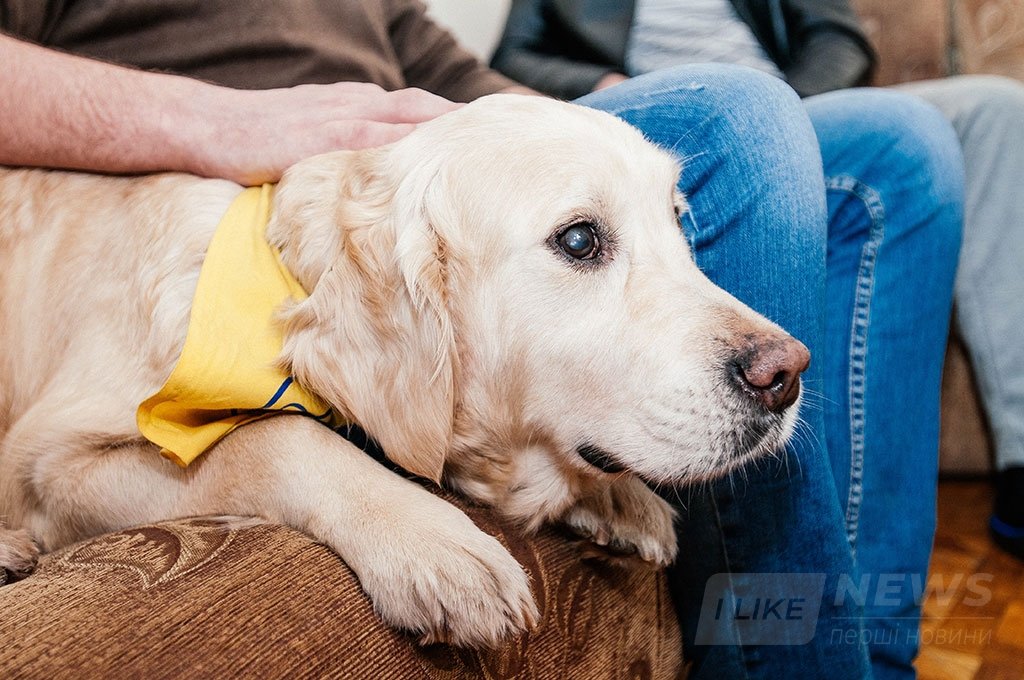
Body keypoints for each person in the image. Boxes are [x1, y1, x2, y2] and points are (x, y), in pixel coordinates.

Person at [0, 1, 963, 678]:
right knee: (741, 113)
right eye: (581, 245)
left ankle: (875, 664)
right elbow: (59, 475)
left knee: (902, 152)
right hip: (233, 163)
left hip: (433, 150)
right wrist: (216, 118)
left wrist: (561, 146)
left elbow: (444, 69)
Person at [492, 0, 1024, 564]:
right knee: (756, 111)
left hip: (787, 96)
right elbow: (513, 56)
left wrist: (787, 110)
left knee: (982, 114)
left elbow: (838, 38)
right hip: (654, 115)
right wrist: (603, 82)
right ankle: (773, 607)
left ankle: (1008, 468)